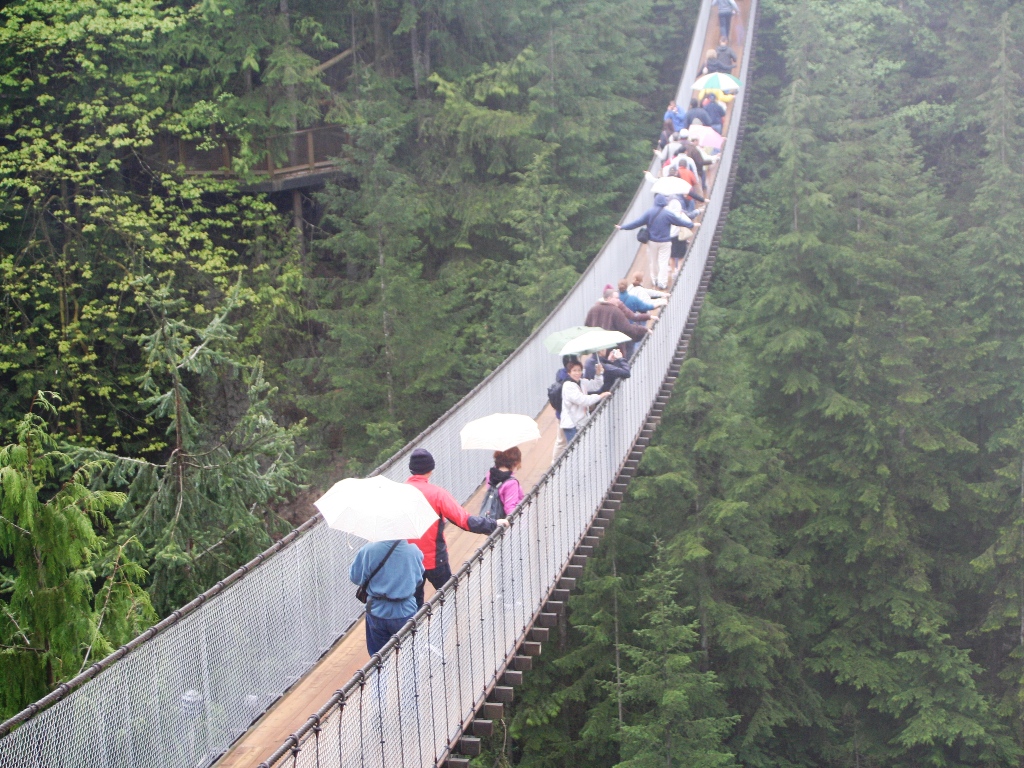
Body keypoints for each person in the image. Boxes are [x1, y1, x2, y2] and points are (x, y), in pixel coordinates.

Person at [406, 449, 509, 606]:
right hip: (435, 559)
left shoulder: (399, 494)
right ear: (431, 469)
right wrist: (494, 524)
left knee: (413, 607)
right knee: (449, 600)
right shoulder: (438, 494)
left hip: (408, 561)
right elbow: (465, 521)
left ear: (411, 469)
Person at [349, 539, 424, 655]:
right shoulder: (413, 551)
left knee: (378, 657)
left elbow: (355, 577)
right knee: (410, 654)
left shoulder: (368, 550)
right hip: (405, 610)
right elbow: (419, 579)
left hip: (376, 610)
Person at [616, 193, 694, 289]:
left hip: (652, 242)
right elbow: (680, 221)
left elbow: (636, 223)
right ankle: (662, 283)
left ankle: (655, 279)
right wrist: (690, 224)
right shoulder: (667, 213)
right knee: (663, 262)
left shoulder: (649, 212)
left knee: (653, 261)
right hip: (665, 242)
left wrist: (623, 227)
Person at [585, 287, 651, 356]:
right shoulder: (615, 311)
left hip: (597, 351)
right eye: (617, 298)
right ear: (609, 298)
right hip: (614, 352)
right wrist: (643, 330)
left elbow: (587, 328)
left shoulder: (593, 310)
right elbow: (627, 328)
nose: (619, 300)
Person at [560, 360, 609, 443]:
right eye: (574, 370)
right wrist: (599, 396)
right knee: (575, 448)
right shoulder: (568, 386)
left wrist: (598, 374)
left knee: (582, 446)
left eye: (579, 370)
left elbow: (596, 385)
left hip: (581, 422)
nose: (577, 373)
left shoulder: (582, 382)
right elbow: (582, 400)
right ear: (569, 373)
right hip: (571, 424)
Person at [483, 447, 525, 518]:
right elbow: (510, 509)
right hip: (503, 521)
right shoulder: (511, 483)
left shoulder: (490, 474)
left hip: (490, 517)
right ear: (515, 462)